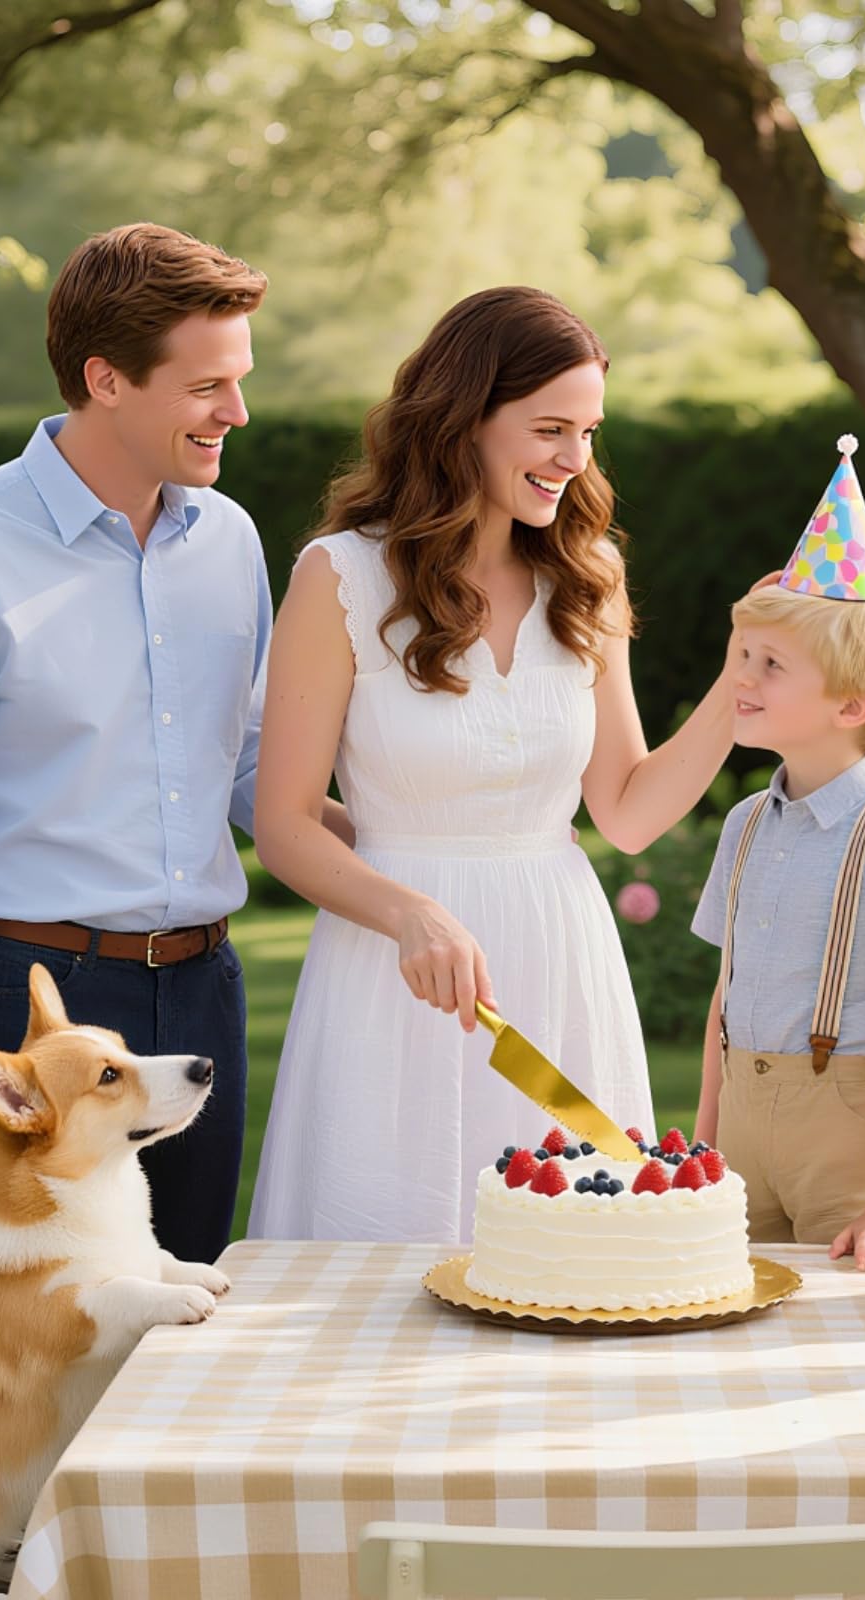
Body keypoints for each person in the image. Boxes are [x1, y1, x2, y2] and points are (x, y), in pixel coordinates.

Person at [0, 223, 346, 1263]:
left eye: (239, 381)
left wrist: (416, 844)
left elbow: (248, 767)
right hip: (33, 1007)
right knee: (34, 1357)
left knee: (184, 1321)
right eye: (208, 386)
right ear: (105, 378)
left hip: (201, 992)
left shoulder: (230, 539)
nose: (237, 413)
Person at [246, 285, 741, 1244]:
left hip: (560, 958)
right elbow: (285, 824)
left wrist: (739, 681)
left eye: (589, 433)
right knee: (386, 1258)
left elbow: (628, 813)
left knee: (576, 1270)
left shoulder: (587, 577)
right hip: (391, 976)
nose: (574, 460)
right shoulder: (340, 576)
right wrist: (410, 912)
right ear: (464, 419)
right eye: (550, 428)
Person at [691, 437, 865, 1271]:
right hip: (741, 1119)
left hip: (841, 1129)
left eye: (770, 664)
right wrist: (702, 1147)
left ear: (852, 705)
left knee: (849, 1319)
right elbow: (725, 995)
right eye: (743, 655)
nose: (742, 677)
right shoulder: (744, 824)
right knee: (720, 1305)